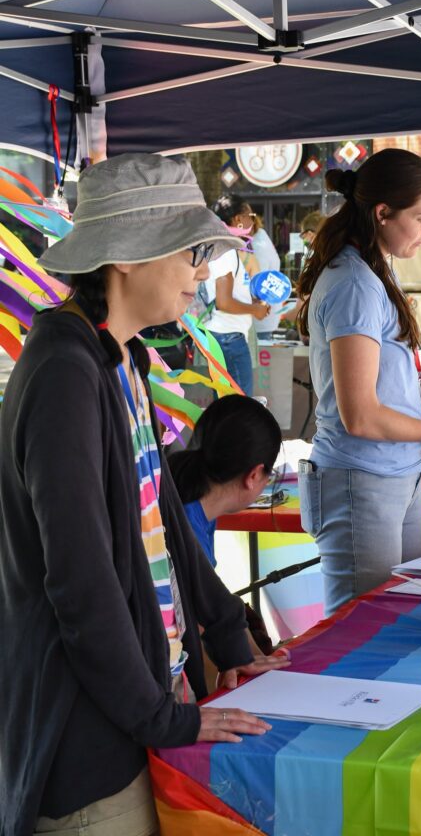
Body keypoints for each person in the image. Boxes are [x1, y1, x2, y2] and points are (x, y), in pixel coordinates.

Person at [0, 155, 287, 836]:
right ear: (125, 256)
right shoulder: (64, 372)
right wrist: (155, 716)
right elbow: (79, 578)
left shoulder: (119, 356)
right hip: (87, 735)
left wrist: (232, 637)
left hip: (136, 704)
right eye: (191, 252)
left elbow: (164, 529)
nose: (200, 272)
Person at [296, 149, 421, 615]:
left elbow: (374, 379)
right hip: (362, 479)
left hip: (396, 475)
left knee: (408, 617)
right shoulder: (355, 283)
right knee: (361, 628)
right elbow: (359, 413)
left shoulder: (376, 270)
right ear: (382, 213)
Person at [168, 394, 281, 653]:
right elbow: (194, 627)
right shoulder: (186, 523)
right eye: (269, 474)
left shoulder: (194, 508)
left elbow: (212, 603)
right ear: (253, 475)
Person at [205, 196, 270, 395]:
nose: (253, 221)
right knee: (239, 407)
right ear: (237, 220)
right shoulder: (225, 251)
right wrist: (255, 310)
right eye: (250, 215)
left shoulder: (222, 248)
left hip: (224, 337)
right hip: (228, 339)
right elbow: (223, 302)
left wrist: (252, 300)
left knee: (229, 406)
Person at [248, 212, 284, 342]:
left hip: (260, 317)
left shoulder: (258, 246)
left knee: (257, 356)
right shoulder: (262, 240)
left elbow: (257, 281)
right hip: (266, 314)